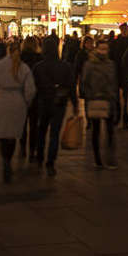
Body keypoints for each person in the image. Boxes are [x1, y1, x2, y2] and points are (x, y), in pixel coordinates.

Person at [0, 42, 36, 183]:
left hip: (1, 101)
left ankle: (5, 160)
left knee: (2, 133)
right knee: (12, 135)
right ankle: (8, 160)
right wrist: (27, 102)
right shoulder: (24, 67)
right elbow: (30, 89)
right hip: (18, 102)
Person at [32, 36, 78, 176]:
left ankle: (39, 157)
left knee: (41, 131)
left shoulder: (38, 67)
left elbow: (34, 88)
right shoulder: (65, 66)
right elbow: (71, 86)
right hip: (59, 103)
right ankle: (50, 162)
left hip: (43, 102)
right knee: (54, 134)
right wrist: (75, 103)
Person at [82, 38, 118, 169]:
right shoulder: (89, 64)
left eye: (105, 49)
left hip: (108, 100)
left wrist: (114, 96)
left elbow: (114, 82)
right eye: (101, 48)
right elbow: (84, 82)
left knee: (110, 131)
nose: (103, 51)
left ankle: (110, 158)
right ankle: (97, 159)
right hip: (95, 99)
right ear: (96, 49)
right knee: (96, 130)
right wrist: (90, 95)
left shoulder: (111, 64)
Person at [19, 36, 42, 161]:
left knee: (22, 124)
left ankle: (22, 147)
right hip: (35, 95)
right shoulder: (40, 58)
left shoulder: (19, 59)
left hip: (21, 94)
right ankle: (32, 150)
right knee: (34, 124)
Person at [110, 23, 128, 129]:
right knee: (116, 97)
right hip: (118, 72)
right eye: (123, 29)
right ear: (120, 30)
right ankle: (118, 117)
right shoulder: (115, 42)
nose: (125, 31)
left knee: (127, 97)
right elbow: (111, 57)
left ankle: (125, 119)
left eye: (126, 29)